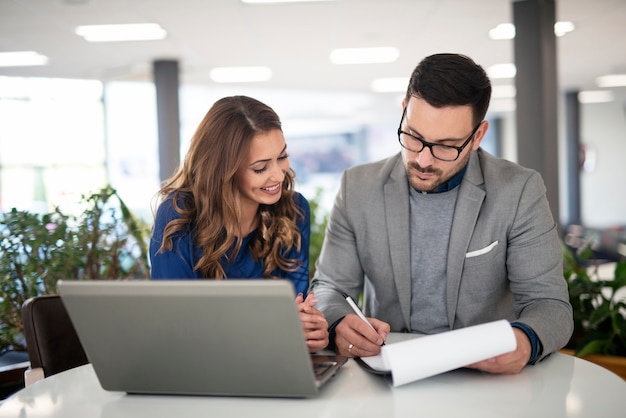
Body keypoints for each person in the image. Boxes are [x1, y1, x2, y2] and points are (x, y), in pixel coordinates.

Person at [310, 53, 573, 374]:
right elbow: (329, 288)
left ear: (477, 136)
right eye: (414, 137)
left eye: (446, 146)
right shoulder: (358, 187)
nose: (422, 160)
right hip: (388, 371)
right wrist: (338, 322)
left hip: (483, 377)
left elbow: (550, 305)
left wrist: (524, 340)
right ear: (404, 109)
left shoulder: (519, 190)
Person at [150, 95, 328, 352]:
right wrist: (276, 327)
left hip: (273, 361)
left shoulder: (294, 210)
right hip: (203, 369)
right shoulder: (178, 217)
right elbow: (176, 327)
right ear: (223, 170)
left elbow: (292, 310)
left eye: (282, 156)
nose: (278, 175)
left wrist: (309, 331)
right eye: (260, 168)